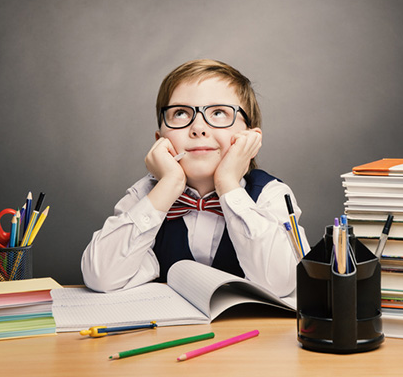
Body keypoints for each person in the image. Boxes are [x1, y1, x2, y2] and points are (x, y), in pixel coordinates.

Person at [81, 59, 308, 297]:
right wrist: (168, 185)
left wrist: (228, 184)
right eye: (180, 113)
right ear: (160, 138)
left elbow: (283, 282)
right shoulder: (146, 195)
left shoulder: (271, 195)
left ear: (251, 138)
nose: (198, 128)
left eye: (218, 112)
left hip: (253, 333)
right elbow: (101, 276)